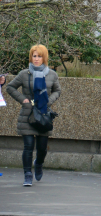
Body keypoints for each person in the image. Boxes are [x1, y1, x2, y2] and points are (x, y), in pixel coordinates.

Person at [6, 45, 61, 187]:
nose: (36, 59)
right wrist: (23, 100)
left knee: (42, 148)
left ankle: (39, 163)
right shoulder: (24, 74)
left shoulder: (52, 74)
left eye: (39, 56)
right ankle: (27, 175)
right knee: (28, 146)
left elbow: (57, 90)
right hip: (28, 114)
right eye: (34, 56)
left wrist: (49, 101)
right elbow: (10, 87)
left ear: (44, 57)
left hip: (43, 114)